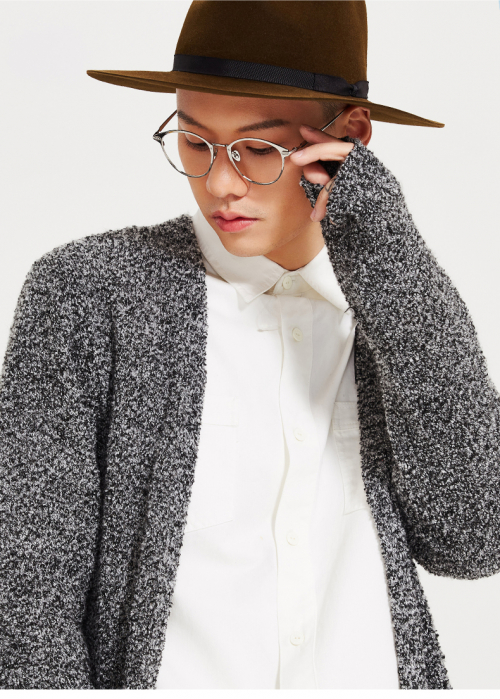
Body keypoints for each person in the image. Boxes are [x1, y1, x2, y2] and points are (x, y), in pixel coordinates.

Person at [1, 0, 499, 691]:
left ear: (351, 137)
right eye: (195, 141)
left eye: (259, 149)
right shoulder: (89, 294)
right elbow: (27, 592)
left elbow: (474, 540)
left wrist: (386, 252)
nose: (220, 183)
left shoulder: (395, 307)